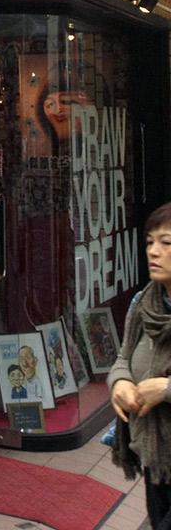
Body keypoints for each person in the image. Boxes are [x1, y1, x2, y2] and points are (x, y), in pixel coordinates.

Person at [110, 202, 171, 530]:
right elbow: (122, 359)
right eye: (149, 242)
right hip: (157, 460)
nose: (154, 251)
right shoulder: (143, 303)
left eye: (166, 242)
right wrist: (119, 384)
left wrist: (165, 389)